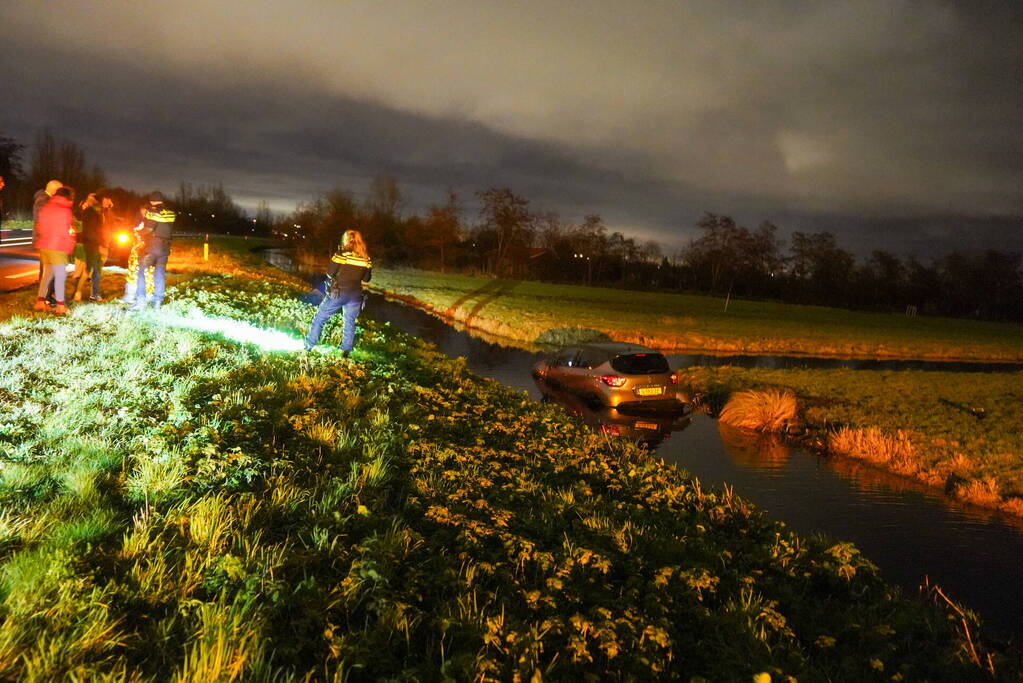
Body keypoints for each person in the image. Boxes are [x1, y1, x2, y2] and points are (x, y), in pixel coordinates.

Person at [304, 229, 372, 356]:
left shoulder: (341, 254)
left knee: (319, 318)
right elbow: (366, 279)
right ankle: (345, 351)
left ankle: (308, 346)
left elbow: (330, 273)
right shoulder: (366, 258)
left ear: (346, 240)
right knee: (349, 322)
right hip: (355, 295)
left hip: (338, 293)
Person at [128, 191, 175, 310]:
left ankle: (141, 301)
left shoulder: (153, 212)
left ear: (151, 201)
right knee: (159, 274)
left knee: (141, 271)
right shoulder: (170, 213)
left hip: (153, 247)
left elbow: (149, 229)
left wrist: (138, 232)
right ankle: (157, 302)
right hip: (165, 247)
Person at [34, 187, 75, 314]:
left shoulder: (46, 207)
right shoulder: (65, 210)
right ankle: (60, 306)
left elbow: (39, 227)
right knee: (60, 277)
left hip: (44, 245)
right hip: (57, 246)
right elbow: (65, 231)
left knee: (46, 275)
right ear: (68, 197)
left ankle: (40, 302)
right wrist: (70, 244)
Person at [73, 191, 114, 301]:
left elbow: (111, 227)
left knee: (97, 271)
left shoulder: (107, 212)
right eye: (106, 199)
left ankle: (95, 294)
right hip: (93, 244)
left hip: (104, 244)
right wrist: (98, 242)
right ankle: (78, 292)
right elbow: (90, 229)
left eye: (109, 199)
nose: (109, 201)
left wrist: (108, 241)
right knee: (88, 270)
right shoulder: (91, 211)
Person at [33, 179, 63, 306]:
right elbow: (41, 219)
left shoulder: (47, 199)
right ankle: (45, 297)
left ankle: (47, 296)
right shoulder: (43, 200)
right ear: (54, 190)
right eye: (60, 190)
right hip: (47, 239)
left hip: (50, 239)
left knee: (50, 270)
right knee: (47, 270)